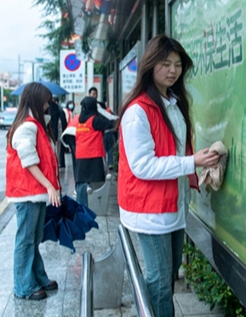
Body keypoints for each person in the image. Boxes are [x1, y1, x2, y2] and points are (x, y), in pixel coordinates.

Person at [116, 34, 220, 317]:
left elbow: (173, 150)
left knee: (169, 276)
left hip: (171, 206)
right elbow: (143, 166)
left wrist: (198, 161)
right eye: (165, 63)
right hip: (150, 212)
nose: (173, 70)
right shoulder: (138, 111)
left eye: (177, 64)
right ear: (150, 65)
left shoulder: (173, 103)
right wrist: (191, 162)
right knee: (160, 283)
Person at [5, 82, 61, 301]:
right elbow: (29, 161)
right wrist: (49, 185)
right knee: (26, 240)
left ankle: (37, 278)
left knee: (33, 238)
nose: (49, 104)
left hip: (34, 192)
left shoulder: (34, 124)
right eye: (46, 100)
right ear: (37, 101)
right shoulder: (27, 126)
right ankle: (23, 286)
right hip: (28, 192)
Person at [75, 96, 115, 206]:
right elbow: (112, 123)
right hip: (93, 155)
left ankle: (80, 205)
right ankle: (90, 205)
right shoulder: (95, 120)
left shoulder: (79, 120)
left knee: (82, 181)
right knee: (93, 182)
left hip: (80, 155)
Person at [49, 97, 67, 168]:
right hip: (56, 134)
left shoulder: (56, 110)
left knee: (56, 151)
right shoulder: (58, 110)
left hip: (56, 135)